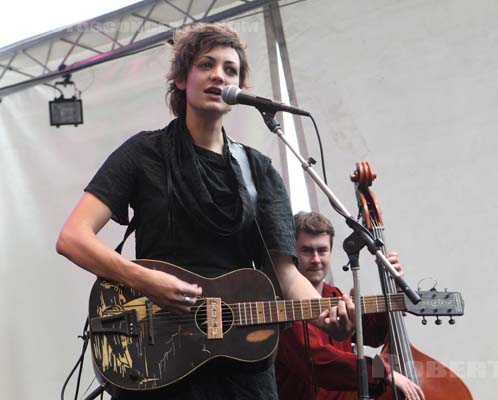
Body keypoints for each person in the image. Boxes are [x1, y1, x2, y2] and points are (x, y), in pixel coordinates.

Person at [56, 23, 354, 400]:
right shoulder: (143, 154)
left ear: (239, 91)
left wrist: (324, 315)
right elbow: (73, 237)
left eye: (230, 70)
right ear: (182, 79)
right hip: (157, 360)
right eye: (206, 65)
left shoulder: (258, 169)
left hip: (242, 371)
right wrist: (146, 281)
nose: (219, 75)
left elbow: (284, 272)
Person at [276, 211, 425, 400]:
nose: (316, 259)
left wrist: (394, 291)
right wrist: (383, 372)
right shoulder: (282, 305)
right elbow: (319, 361)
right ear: (292, 253)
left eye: (322, 250)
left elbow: (371, 334)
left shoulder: (334, 295)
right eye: (306, 250)